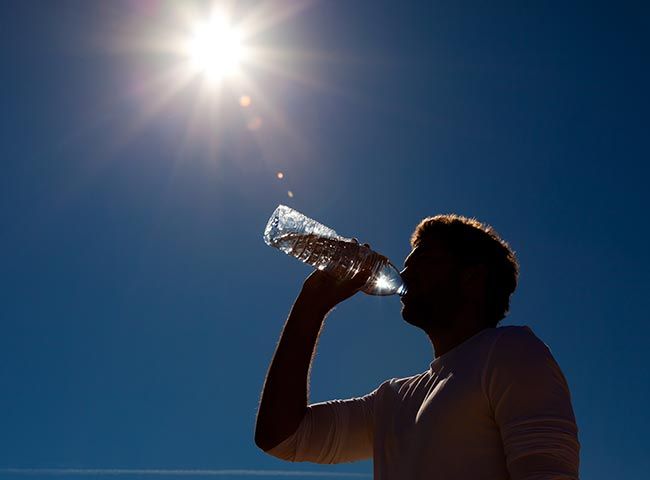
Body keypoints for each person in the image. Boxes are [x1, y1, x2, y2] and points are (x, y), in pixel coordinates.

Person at [255, 214, 580, 479]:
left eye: (423, 260)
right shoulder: (391, 400)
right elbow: (282, 437)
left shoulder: (512, 351)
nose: (405, 272)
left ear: (471, 278)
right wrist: (312, 304)